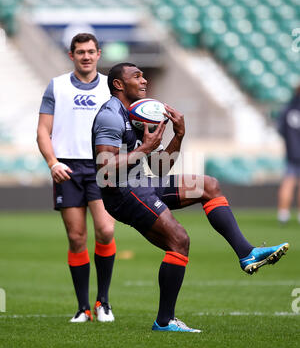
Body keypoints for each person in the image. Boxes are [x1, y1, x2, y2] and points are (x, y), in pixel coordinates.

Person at [92, 62, 289, 332]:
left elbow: (160, 167)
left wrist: (179, 135)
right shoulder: (109, 116)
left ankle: (247, 253)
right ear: (118, 84)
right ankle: (165, 321)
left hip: (142, 183)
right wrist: (144, 149)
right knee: (179, 240)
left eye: (143, 75)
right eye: (136, 76)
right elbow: (104, 169)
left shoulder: (142, 114)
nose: (144, 80)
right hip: (121, 192)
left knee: (209, 185)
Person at [37, 33, 117, 323]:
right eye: (80, 52)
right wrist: (52, 162)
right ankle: (83, 308)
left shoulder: (112, 87)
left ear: (98, 54)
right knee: (76, 237)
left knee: (106, 230)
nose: (86, 56)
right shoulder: (56, 86)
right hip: (66, 168)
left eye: (90, 51)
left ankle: (103, 302)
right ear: (71, 55)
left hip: (101, 167)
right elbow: (43, 131)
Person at [277, 86, 300, 224]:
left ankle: (283, 214)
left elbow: (281, 130)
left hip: (291, 151)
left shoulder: (288, 109)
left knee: (288, 182)